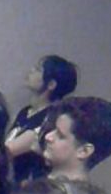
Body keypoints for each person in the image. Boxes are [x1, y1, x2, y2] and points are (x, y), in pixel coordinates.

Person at [6, 55, 78, 185]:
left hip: (30, 185)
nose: (31, 71)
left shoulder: (51, 118)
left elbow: (8, 150)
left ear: (51, 84)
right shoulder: (25, 111)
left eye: (38, 69)